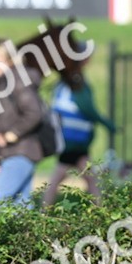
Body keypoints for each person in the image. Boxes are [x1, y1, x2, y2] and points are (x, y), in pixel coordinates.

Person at [42, 49, 117, 207]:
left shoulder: (65, 80)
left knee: (88, 177)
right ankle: (43, 212)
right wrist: (107, 124)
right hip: (73, 139)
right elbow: (86, 107)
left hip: (71, 138)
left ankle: (100, 212)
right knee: (63, 177)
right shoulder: (76, 80)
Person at [0, 38, 45, 208]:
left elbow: (34, 112)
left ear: (5, 58)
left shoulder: (16, 80)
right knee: (21, 207)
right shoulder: (5, 81)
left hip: (19, 151)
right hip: (17, 152)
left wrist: (11, 135)